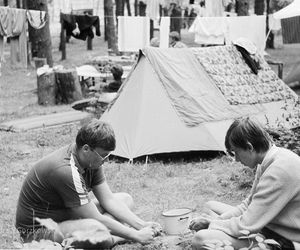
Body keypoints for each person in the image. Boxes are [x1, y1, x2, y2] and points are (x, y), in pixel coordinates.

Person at [15, 119, 162, 246]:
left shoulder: (90, 160)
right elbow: (95, 218)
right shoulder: (65, 170)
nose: (105, 160)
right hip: (37, 232)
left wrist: (141, 224)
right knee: (96, 228)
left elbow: (108, 200)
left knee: (125, 199)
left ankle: (110, 232)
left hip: (66, 216)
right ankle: (113, 238)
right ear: (86, 149)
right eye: (103, 155)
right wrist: (136, 235)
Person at [190, 117, 300, 250]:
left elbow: (246, 225)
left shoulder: (279, 170)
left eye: (236, 152)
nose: (235, 159)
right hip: (266, 224)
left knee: (201, 239)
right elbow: (248, 205)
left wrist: (212, 224)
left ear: (249, 147)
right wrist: (219, 222)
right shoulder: (268, 160)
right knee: (210, 206)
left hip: (284, 240)